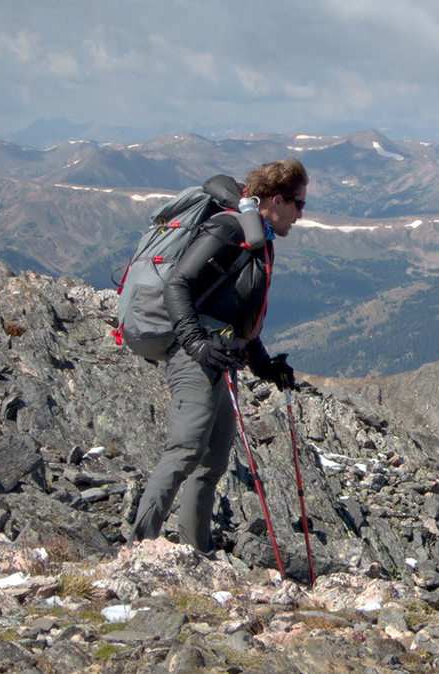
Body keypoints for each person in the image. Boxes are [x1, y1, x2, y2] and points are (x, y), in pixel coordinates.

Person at [130, 158, 307, 555]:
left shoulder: (259, 240)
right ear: (276, 200)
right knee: (185, 449)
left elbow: (238, 314)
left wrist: (266, 366)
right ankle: (138, 550)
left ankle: (197, 551)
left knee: (211, 462)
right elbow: (179, 284)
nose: (300, 215)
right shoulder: (229, 229)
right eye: (299, 204)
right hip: (197, 356)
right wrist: (195, 343)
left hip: (223, 356)